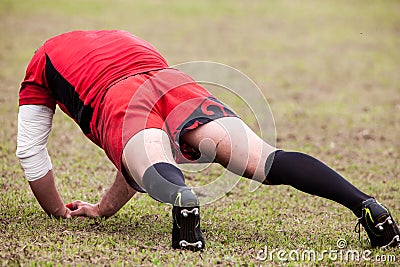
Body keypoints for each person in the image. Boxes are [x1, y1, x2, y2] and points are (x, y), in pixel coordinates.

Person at [16, 30, 399, 251]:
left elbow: (30, 150)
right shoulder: (125, 38)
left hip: (118, 95)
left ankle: (184, 203)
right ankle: (369, 208)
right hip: (175, 81)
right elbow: (138, 162)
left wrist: (59, 212)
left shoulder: (41, 62)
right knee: (265, 161)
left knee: (153, 161)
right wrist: (103, 208)